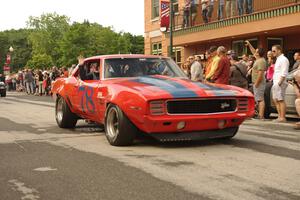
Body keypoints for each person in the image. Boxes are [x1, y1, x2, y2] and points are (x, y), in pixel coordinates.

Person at [245, 40, 267, 120]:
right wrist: (249, 44)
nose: (255, 52)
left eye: (256, 51)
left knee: (260, 99)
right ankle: (259, 115)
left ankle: (261, 116)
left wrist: (257, 83)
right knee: (258, 98)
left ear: (258, 53)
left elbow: (261, 73)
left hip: (259, 82)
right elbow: (253, 51)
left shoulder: (261, 61)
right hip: (256, 82)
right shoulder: (258, 59)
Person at [271, 45, 290, 122]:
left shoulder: (283, 59)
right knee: (276, 99)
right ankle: (279, 116)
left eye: (274, 51)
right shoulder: (278, 59)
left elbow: (284, 72)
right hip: (276, 82)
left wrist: (279, 82)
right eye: (272, 51)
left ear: (279, 50)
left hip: (280, 82)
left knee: (280, 99)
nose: (272, 53)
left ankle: (282, 117)